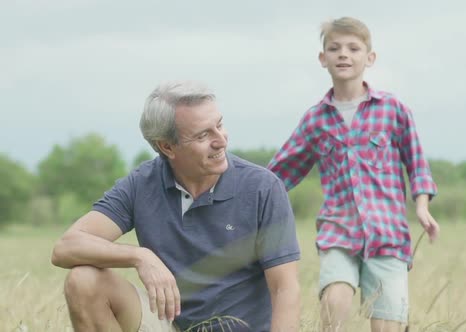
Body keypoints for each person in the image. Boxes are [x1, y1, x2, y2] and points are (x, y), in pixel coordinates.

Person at [51, 80, 301, 332]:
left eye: (219, 125)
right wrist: (140, 256)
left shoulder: (263, 188)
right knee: (83, 281)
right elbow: (66, 247)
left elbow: (285, 289)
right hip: (170, 326)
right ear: (167, 146)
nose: (221, 140)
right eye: (203, 135)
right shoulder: (141, 183)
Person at [267, 17, 439, 332]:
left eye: (353, 48)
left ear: (369, 58)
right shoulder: (316, 120)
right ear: (323, 59)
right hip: (338, 230)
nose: (343, 54)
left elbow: (416, 161)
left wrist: (422, 206)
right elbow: (279, 173)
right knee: (335, 297)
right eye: (334, 48)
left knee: (388, 323)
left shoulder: (392, 109)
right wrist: (242, 199)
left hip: (387, 232)